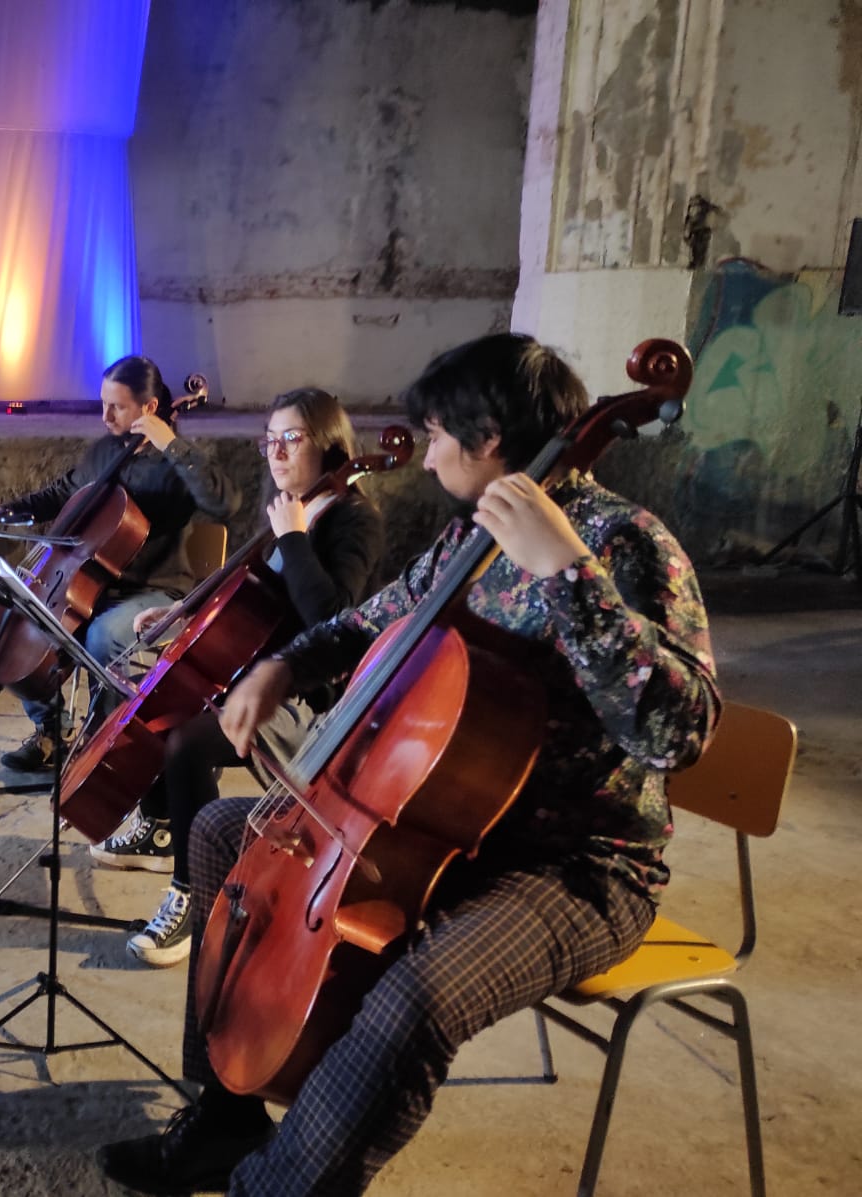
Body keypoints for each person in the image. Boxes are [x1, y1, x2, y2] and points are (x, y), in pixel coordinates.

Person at [98, 333, 720, 1196]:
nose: (424, 459)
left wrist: (569, 574)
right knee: (214, 834)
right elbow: (367, 622)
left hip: (578, 866)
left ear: (489, 435)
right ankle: (225, 1117)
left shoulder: (625, 544)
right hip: (439, 829)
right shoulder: (466, 539)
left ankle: (274, 1184)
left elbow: (680, 731)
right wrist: (283, 666)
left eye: (434, 436)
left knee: (413, 1000)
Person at [89, 387, 386, 967]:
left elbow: (332, 617)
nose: (276, 453)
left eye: (291, 439)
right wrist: (183, 616)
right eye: (269, 440)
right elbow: (252, 600)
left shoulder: (352, 519)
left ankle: (197, 900)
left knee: (188, 744)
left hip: (313, 697)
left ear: (329, 445)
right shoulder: (288, 507)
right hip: (259, 673)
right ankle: (160, 828)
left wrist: (296, 537)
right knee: (161, 701)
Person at [0, 355, 240, 771]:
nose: (105, 416)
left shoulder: (174, 463)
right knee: (25, 625)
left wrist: (171, 444)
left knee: (102, 638)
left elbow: (225, 503)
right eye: (103, 403)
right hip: (90, 585)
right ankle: (51, 733)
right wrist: (2, 512)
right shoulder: (105, 451)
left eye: (118, 406)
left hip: (153, 590)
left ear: (149, 409)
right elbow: (61, 493)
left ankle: (102, 744)